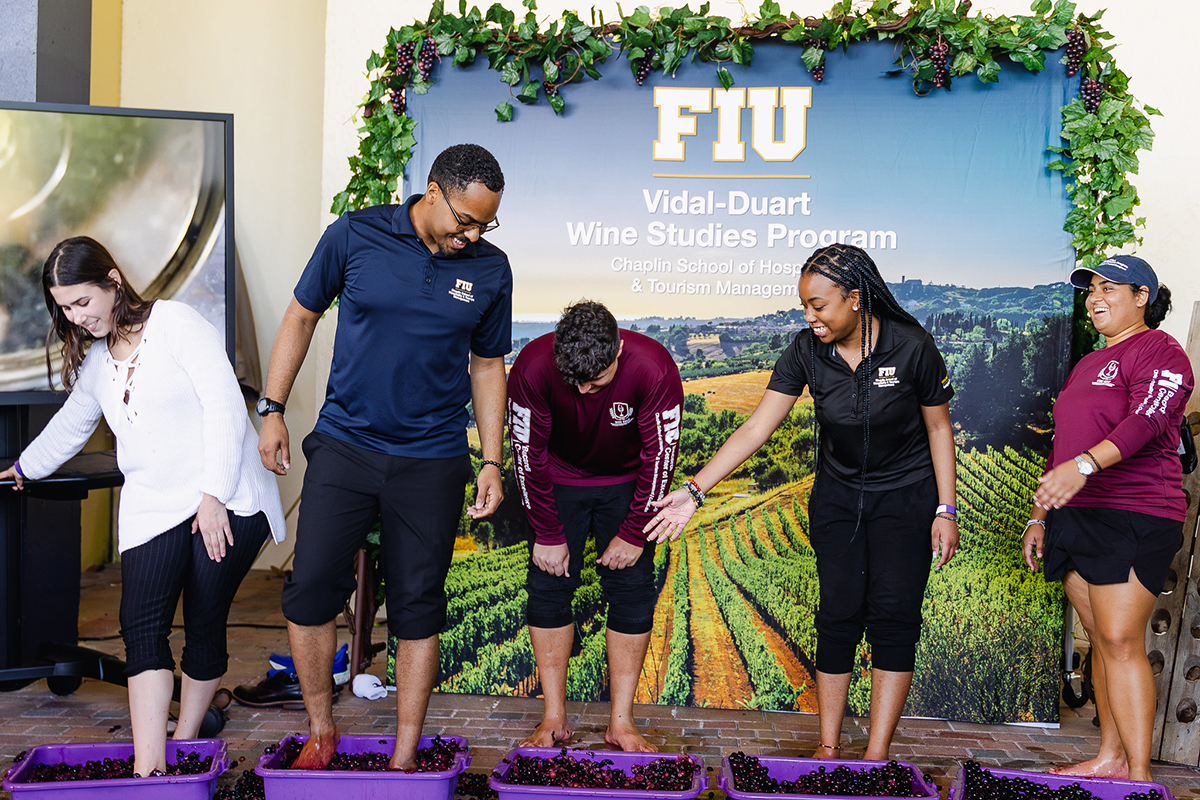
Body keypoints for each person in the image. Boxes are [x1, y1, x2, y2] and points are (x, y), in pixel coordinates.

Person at [646, 243, 958, 761]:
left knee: (894, 616)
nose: (809, 316)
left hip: (906, 498)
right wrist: (694, 492)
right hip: (837, 500)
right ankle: (829, 746)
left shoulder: (912, 346)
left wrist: (945, 509)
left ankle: (877, 754)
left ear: (856, 299)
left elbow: (939, 426)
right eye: (803, 306)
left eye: (819, 305)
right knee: (837, 613)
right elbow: (756, 429)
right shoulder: (806, 349)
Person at [257, 143, 510, 770]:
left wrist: (491, 461)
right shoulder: (356, 234)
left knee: (419, 603)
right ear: (432, 193)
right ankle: (322, 730)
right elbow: (301, 315)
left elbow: (487, 367)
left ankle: (403, 756)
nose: (472, 235)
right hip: (347, 446)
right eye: (465, 220)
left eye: (486, 224)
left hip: (433, 459)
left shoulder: (490, 270)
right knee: (312, 587)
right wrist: (272, 408)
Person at [0, 237, 285, 776]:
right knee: (141, 624)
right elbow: (71, 426)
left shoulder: (176, 324)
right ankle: (150, 770)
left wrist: (213, 497)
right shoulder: (97, 363)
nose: (76, 318)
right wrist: (23, 468)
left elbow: (225, 406)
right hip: (156, 501)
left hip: (228, 491)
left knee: (203, 611)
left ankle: (185, 740)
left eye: (82, 302)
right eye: (64, 308)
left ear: (112, 281)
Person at [1022, 255, 1192, 782]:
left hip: (1134, 511)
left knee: (1120, 640)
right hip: (1076, 515)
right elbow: (1062, 447)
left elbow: (1148, 419)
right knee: (1101, 639)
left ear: (1142, 296)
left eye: (1110, 287)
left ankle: (1139, 778)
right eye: (1091, 288)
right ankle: (1110, 757)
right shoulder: (1088, 363)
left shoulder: (1161, 350)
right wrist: (1040, 516)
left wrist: (1086, 464)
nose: (1095, 297)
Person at [508, 301, 683, 752]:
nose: (586, 390)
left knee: (631, 587)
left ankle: (620, 724)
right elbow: (527, 455)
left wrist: (634, 531)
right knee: (547, 586)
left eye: (598, 380)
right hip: (556, 476)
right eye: (576, 381)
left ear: (620, 348)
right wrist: (548, 533)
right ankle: (553, 719)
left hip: (628, 479)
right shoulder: (531, 366)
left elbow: (659, 458)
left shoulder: (654, 367)